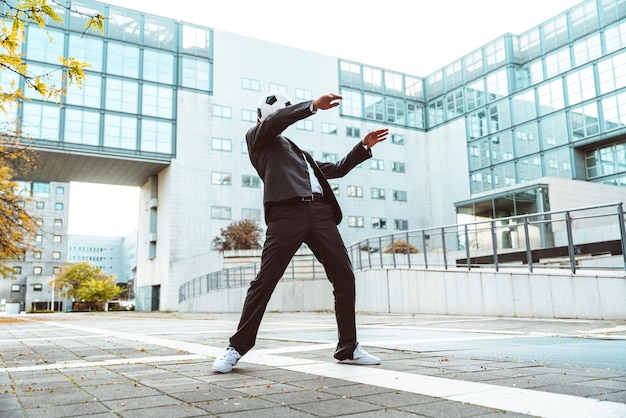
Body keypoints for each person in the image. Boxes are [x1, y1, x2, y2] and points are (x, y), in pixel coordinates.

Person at [212, 92, 388, 373]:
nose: (282, 116)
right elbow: (275, 124)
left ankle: (348, 348)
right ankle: (236, 347)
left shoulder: (299, 154)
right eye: (281, 112)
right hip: (286, 214)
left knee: (344, 276)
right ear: (262, 118)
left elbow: (338, 169)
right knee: (265, 279)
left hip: (320, 215)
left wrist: (362, 147)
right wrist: (311, 106)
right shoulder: (256, 138)